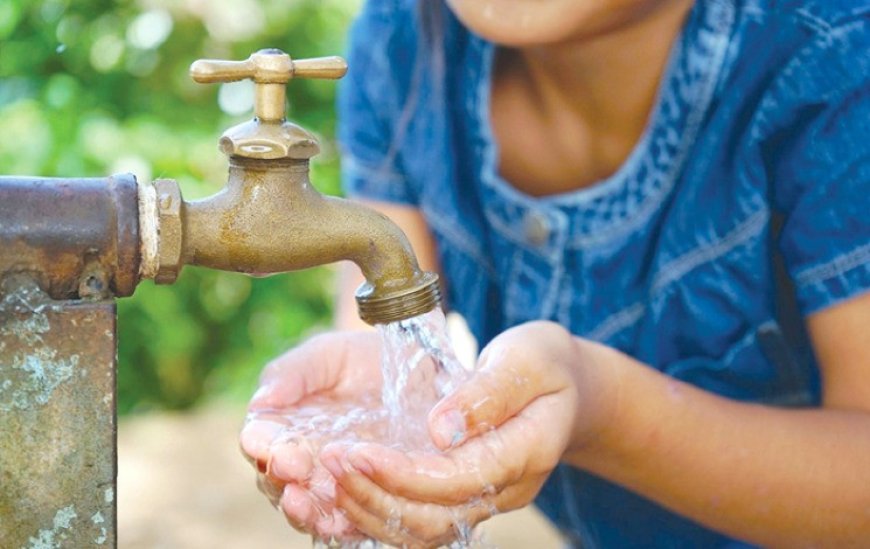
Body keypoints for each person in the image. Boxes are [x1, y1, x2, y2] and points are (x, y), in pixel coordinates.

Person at [241, 0, 870, 546]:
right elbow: (387, 320)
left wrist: (605, 409)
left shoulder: (836, 60)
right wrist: (369, 431)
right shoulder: (407, 37)